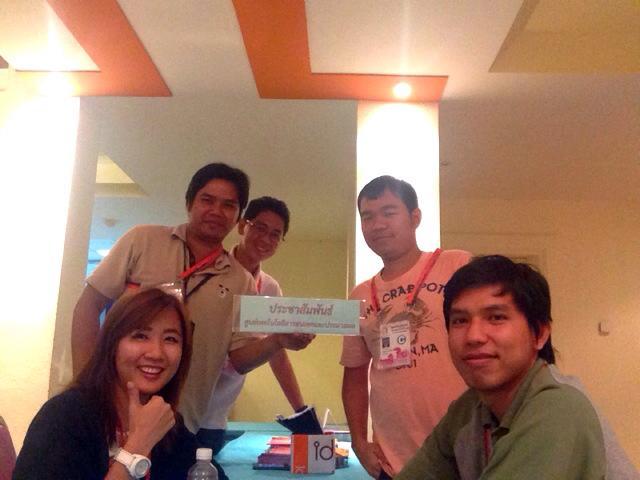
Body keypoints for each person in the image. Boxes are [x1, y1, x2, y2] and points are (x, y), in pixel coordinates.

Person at [71, 163, 314, 473]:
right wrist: (87, 388)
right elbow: (89, 305)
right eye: (207, 200)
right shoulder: (142, 241)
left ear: (237, 217)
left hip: (181, 426)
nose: (216, 211)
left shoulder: (241, 281)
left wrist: (278, 340)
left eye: (228, 205)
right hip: (113, 411)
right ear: (189, 203)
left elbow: (239, 358)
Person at [397, 255, 639, 479]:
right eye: (460, 320)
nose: (473, 336)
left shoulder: (558, 409)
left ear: (540, 334)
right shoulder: (469, 409)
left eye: (496, 317)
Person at [340, 175, 471, 478]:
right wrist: (359, 442)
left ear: (415, 218)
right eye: (367, 217)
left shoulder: (456, 265)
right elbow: (354, 376)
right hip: (393, 463)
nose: (377, 224)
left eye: (389, 212)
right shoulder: (360, 295)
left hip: (465, 454)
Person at [13, 287, 209, 480]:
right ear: (112, 344)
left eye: (170, 339)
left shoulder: (166, 424)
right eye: (140, 336)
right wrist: (138, 445)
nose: (156, 353)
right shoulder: (64, 417)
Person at [198, 196, 306, 454]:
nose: (266, 239)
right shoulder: (209, 271)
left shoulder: (269, 288)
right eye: (259, 227)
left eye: (275, 234)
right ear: (241, 226)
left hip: (217, 414)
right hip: (183, 404)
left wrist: (301, 412)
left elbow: (276, 351)